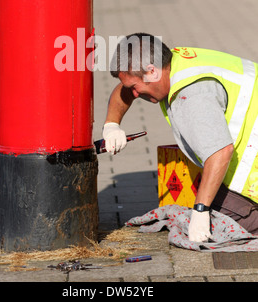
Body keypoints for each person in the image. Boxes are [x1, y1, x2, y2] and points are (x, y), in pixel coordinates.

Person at [102, 33, 258, 242]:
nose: (134, 94)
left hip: (250, 170)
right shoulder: (175, 61)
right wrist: (112, 125)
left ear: (152, 71)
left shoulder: (191, 96)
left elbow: (220, 152)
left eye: (135, 87)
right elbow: (126, 88)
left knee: (219, 221)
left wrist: (201, 212)